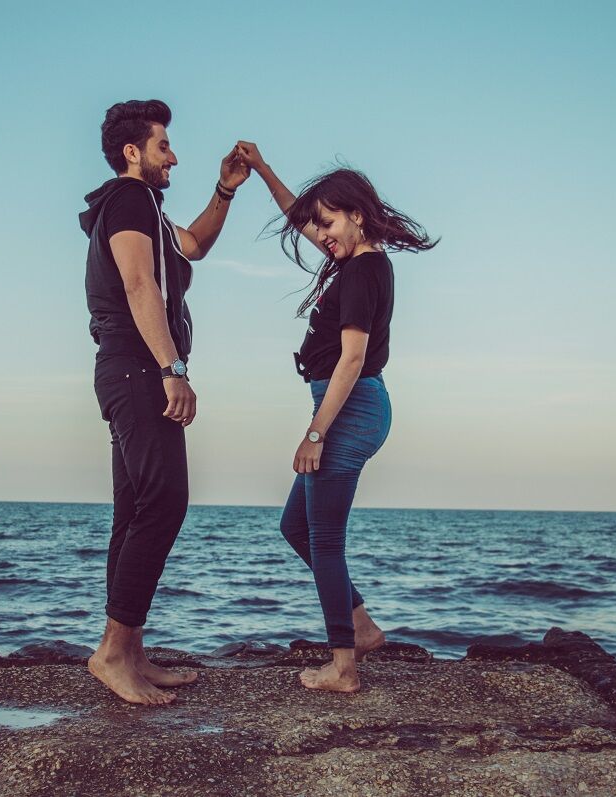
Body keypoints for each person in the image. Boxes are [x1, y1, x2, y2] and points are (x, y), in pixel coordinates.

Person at [237, 141, 438, 693]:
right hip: (352, 404)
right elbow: (300, 216)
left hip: (347, 409)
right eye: (317, 226)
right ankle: (362, 627)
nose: (320, 234)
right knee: (295, 527)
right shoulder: (361, 262)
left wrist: (315, 432)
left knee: (324, 538)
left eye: (329, 223)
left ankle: (343, 667)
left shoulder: (361, 272)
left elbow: (352, 356)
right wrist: (261, 170)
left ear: (356, 214)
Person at [78, 100, 249, 705]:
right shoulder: (128, 200)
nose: (173, 155)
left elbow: (194, 245)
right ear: (134, 152)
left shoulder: (146, 208)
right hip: (137, 368)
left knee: (134, 508)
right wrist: (171, 369)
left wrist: (224, 191)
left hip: (128, 368)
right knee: (165, 500)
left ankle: (128, 651)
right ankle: (112, 654)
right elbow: (138, 283)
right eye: (164, 145)